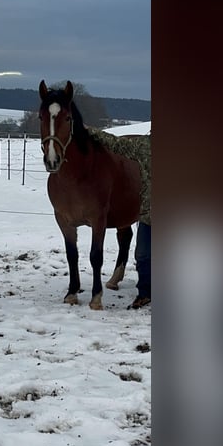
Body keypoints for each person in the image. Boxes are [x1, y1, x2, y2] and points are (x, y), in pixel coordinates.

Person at [86, 126, 151, 309]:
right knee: (143, 255)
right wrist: (92, 131)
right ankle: (145, 293)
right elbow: (117, 144)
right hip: (148, 214)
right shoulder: (145, 146)